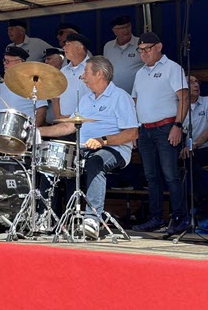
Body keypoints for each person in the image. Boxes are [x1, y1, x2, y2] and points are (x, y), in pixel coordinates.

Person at [40, 56, 138, 239]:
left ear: (99, 74)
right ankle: (46, 218)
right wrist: (38, 131)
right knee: (52, 162)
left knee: (96, 162)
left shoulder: (120, 97)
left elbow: (132, 134)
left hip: (114, 150)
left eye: (86, 72)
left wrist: (103, 141)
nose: (82, 76)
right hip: (85, 148)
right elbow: (68, 126)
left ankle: (92, 219)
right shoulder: (85, 100)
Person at [131, 31, 189, 235]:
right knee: (151, 176)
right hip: (145, 129)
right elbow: (135, 101)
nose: (144, 53)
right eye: (140, 50)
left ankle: (180, 217)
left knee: (171, 175)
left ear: (159, 47)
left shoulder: (172, 68)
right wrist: (135, 128)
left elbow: (184, 98)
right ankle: (156, 218)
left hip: (166, 127)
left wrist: (178, 125)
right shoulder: (140, 73)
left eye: (147, 49)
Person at [179, 75, 208, 219]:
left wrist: (194, 145)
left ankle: (204, 204)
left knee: (191, 160)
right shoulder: (179, 107)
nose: (195, 85)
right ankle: (178, 211)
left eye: (197, 81)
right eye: (190, 82)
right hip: (188, 151)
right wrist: (190, 147)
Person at [0, 46, 48, 127]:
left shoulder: (34, 83)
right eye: (4, 60)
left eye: (7, 61)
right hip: (2, 130)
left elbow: (41, 109)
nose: (4, 63)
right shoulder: (1, 83)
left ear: (20, 62)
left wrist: (32, 130)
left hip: (23, 130)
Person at [53, 33, 91, 120]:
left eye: (68, 45)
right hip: (64, 123)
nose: (64, 48)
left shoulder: (93, 68)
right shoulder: (63, 71)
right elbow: (56, 97)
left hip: (86, 121)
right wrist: (58, 116)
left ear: (80, 48)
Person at [103, 16, 141, 94]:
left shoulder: (140, 44)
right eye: (121, 28)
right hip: (114, 96)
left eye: (128, 26)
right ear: (114, 31)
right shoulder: (108, 46)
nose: (126, 30)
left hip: (136, 96)